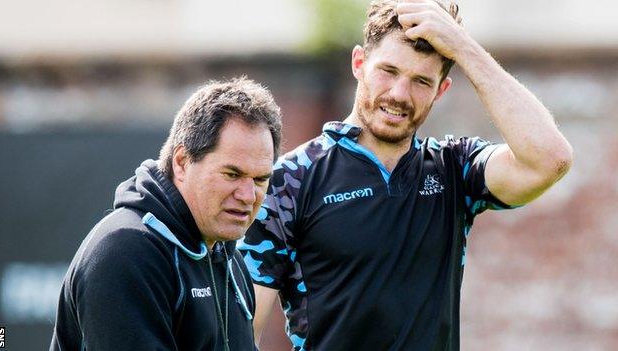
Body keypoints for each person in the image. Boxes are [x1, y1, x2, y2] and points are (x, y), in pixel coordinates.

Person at [238, 0, 573, 350]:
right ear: (359, 63)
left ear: (441, 91)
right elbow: (241, 330)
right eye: (388, 71)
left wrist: (464, 48)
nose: (399, 94)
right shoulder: (290, 179)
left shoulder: (455, 168)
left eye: (421, 81)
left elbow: (551, 159)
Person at [50, 77, 282, 350]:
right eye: (232, 174)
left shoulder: (229, 259)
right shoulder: (127, 252)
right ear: (182, 163)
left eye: (259, 180)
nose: (247, 195)